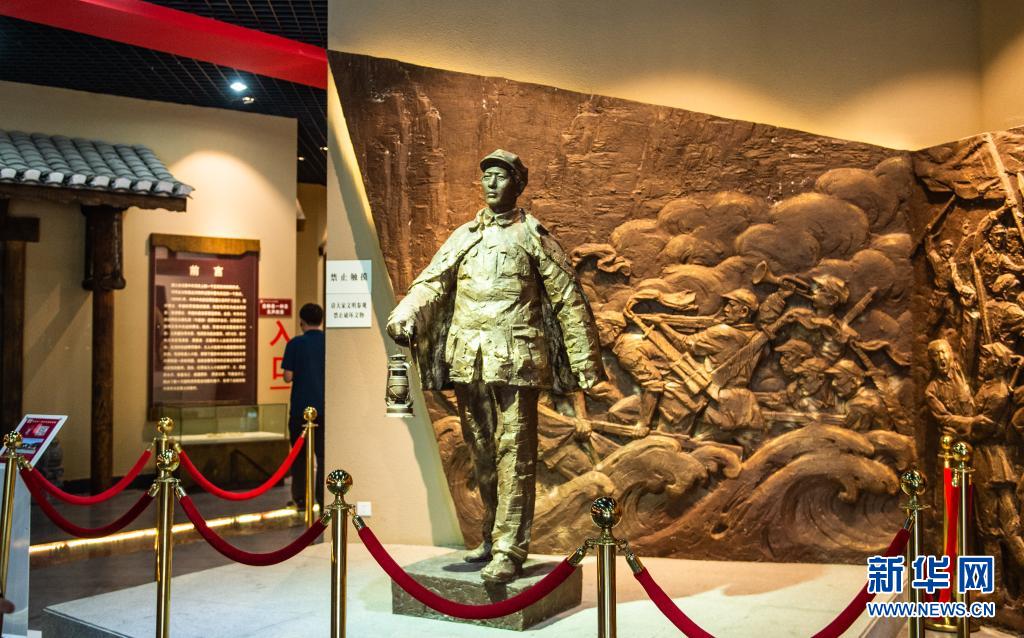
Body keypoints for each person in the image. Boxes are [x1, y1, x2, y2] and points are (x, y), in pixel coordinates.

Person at [386, 149, 602, 583]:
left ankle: (509, 547)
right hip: (469, 358)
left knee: (515, 452)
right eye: (486, 176)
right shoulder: (464, 236)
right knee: (481, 451)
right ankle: (490, 535)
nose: (491, 183)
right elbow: (432, 281)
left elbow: (567, 298)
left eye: (501, 176)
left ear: (517, 185)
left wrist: (584, 361)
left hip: (517, 360)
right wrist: (405, 312)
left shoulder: (533, 236)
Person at [282, 303, 326, 510]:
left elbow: (287, 376)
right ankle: (323, 497)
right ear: (321, 320)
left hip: (301, 407)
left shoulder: (295, 344)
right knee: (323, 455)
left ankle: (301, 499)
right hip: (324, 408)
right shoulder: (328, 342)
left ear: (301, 322)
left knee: (299, 455)